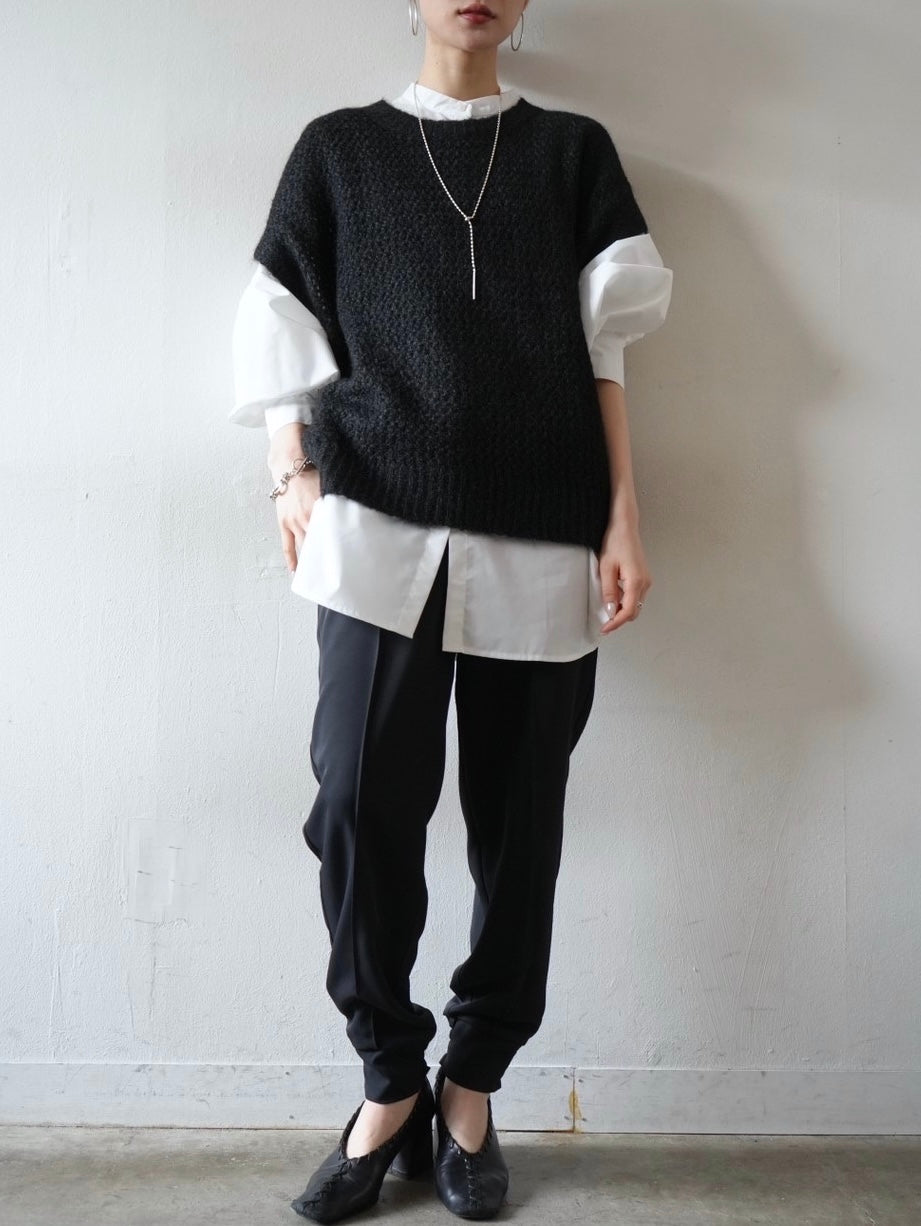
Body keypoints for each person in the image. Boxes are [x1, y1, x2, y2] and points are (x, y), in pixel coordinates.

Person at [230, 1, 672, 1220]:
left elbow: (604, 352)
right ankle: (388, 1082)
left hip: (544, 526)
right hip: (374, 524)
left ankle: (470, 1083)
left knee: (520, 828)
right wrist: (288, 468)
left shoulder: (572, 151)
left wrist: (625, 512)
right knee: (357, 804)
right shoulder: (340, 149)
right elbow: (279, 312)